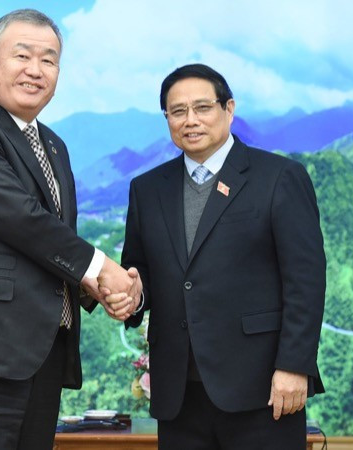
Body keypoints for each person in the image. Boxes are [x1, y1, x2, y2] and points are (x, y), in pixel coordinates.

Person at [0, 9, 141, 450]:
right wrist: (101, 268)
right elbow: (21, 220)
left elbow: (45, 246)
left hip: (41, 354)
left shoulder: (53, 144)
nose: (36, 70)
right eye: (22, 56)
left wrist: (91, 287)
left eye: (49, 60)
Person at [117, 63, 326, 449]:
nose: (190, 120)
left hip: (262, 389)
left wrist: (294, 366)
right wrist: (130, 296)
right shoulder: (147, 189)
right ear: (167, 118)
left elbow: (306, 281)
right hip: (179, 392)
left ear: (228, 109)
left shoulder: (279, 177)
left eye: (203, 108)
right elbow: (139, 273)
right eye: (177, 111)